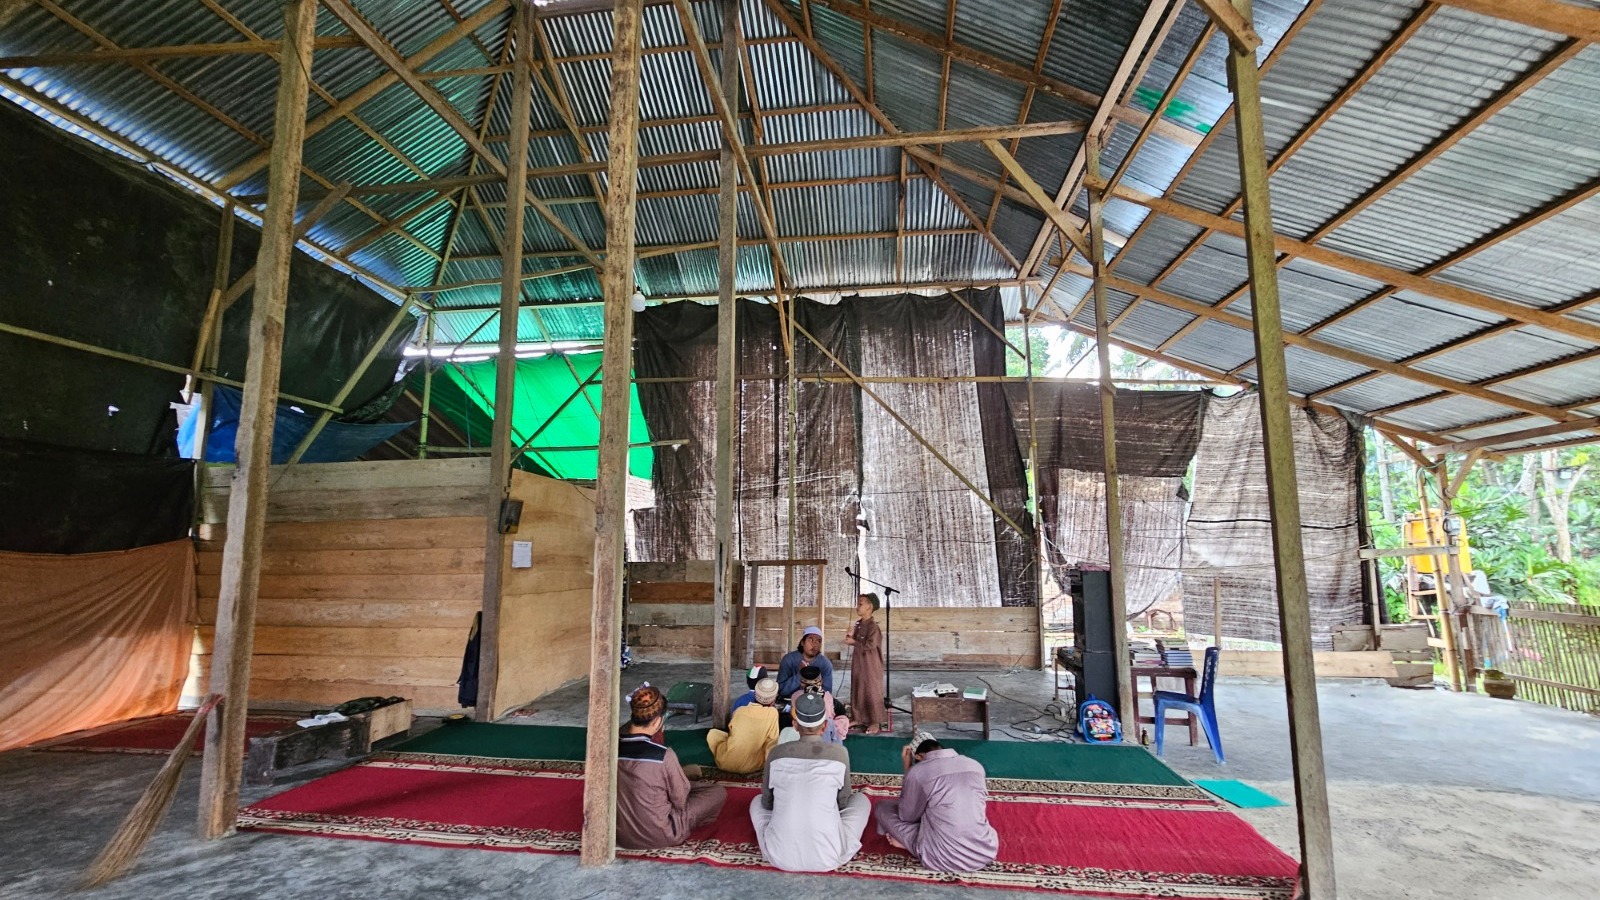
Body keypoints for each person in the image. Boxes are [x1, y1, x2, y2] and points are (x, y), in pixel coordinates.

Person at [750, 692, 872, 872]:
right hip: (829, 856)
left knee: (755, 802)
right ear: (824, 726)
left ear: (794, 725)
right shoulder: (839, 753)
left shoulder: (777, 753)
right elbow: (843, 802)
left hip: (779, 856)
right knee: (862, 800)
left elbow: (767, 802)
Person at [616, 684, 726, 850]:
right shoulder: (663, 755)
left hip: (620, 834)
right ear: (658, 721)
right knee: (717, 792)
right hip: (663, 834)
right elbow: (680, 802)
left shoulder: (612, 749)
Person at [873, 737, 999, 872]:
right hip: (984, 850)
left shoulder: (918, 771)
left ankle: (907, 842)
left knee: (882, 807)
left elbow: (907, 817)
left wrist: (908, 769)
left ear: (918, 756)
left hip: (941, 857)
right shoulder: (975, 765)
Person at [706, 676, 780, 775]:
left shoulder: (740, 710)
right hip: (752, 766)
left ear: (755, 694)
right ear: (773, 699)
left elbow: (732, 731)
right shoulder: (773, 713)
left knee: (713, 734)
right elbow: (772, 741)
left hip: (725, 762)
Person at [844, 592, 887, 733]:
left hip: (870, 664)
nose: (857, 606)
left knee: (871, 690)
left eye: (860, 604)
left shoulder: (873, 627)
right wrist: (850, 636)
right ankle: (858, 717)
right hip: (859, 662)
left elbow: (870, 645)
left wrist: (854, 641)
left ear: (870, 607)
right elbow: (854, 640)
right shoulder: (858, 623)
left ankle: (875, 722)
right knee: (858, 688)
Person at [780, 665, 849, 744]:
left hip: (801, 740)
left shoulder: (796, 697)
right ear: (821, 681)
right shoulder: (829, 700)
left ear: (801, 683)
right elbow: (842, 720)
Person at [777, 625, 833, 697]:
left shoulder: (825, 664)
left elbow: (827, 693)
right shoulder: (789, 660)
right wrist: (801, 675)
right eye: (810, 640)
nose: (814, 644)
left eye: (818, 641)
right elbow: (781, 690)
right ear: (802, 642)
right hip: (790, 701)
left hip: (815, 703)